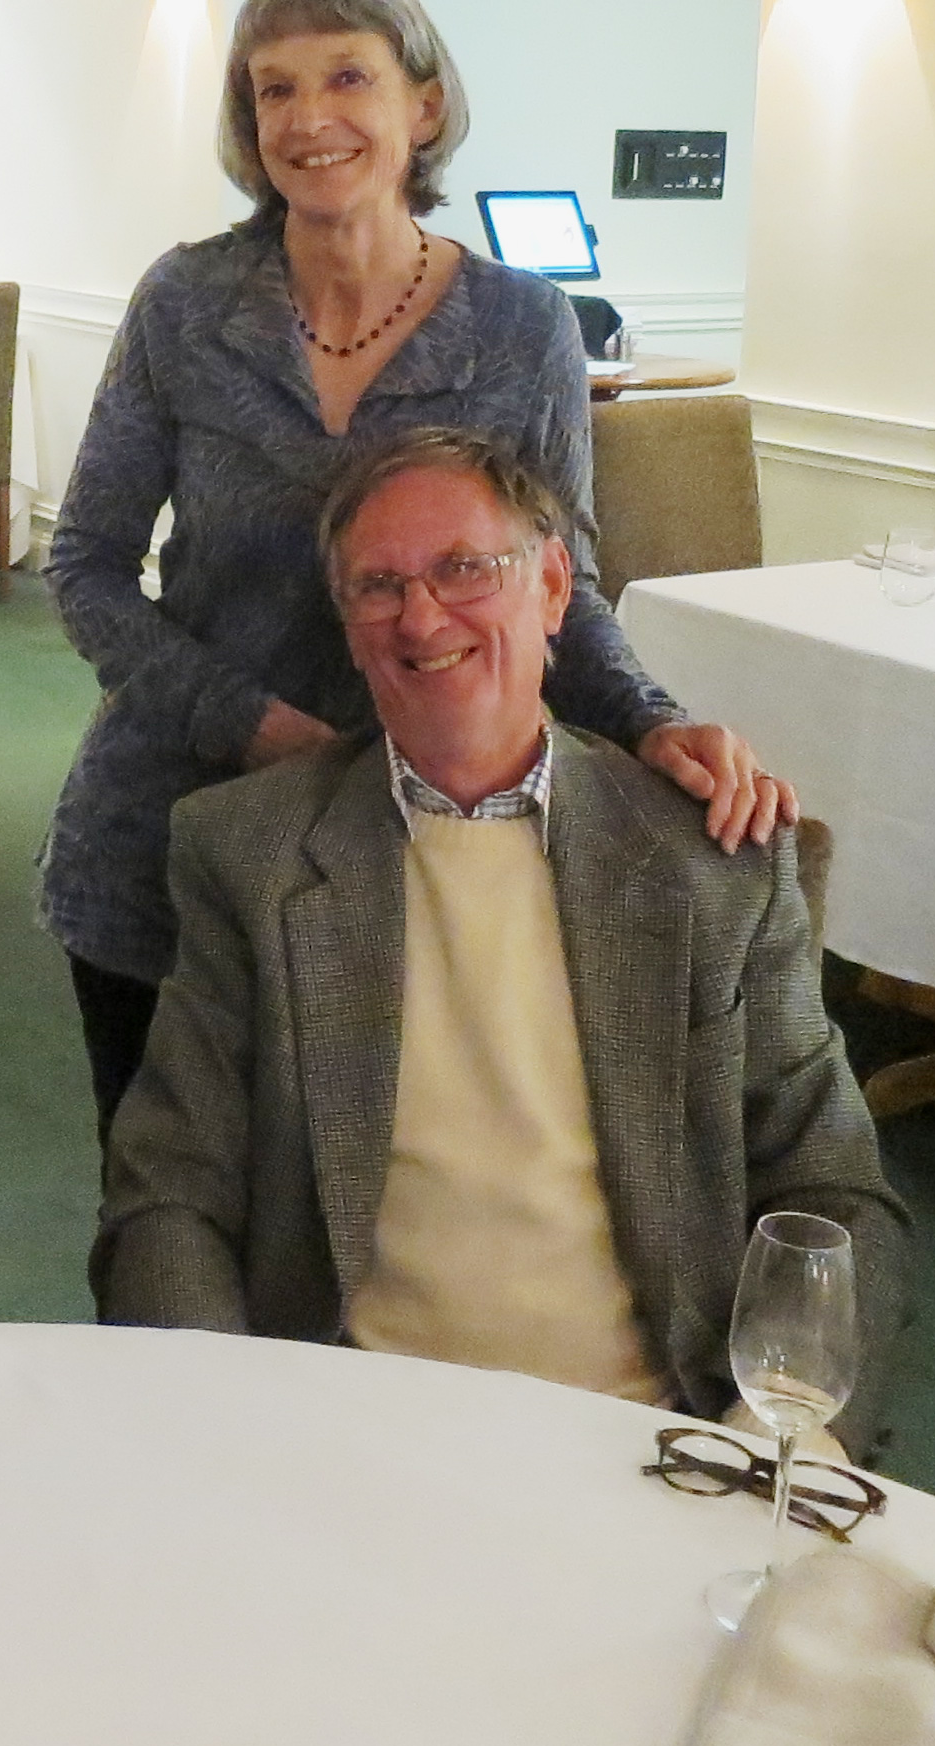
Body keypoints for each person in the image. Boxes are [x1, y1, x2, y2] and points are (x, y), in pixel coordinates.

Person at [39, 0, 791, 1150]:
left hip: (425, 843)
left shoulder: (521, 327)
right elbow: (83, 567)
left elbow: (563, 592)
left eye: (349, 77)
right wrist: (259, 726)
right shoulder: (184, 303)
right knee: (159, 1204)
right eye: (273, 90)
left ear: (423, 106)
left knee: (362, 1215)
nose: (309, 118)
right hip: (169, 834)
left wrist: (653, 721)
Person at [92, 429, 903, 1448]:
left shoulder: (709, 861)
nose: (421, 615)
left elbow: (834, 1193)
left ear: (555, 586)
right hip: (347, 1429)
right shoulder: (248, 854)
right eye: (377, 585)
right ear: (348, 629)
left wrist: (777, 1440)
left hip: (654, 1438)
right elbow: (170, 1188)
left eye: (464, 569)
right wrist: (226, 1422)